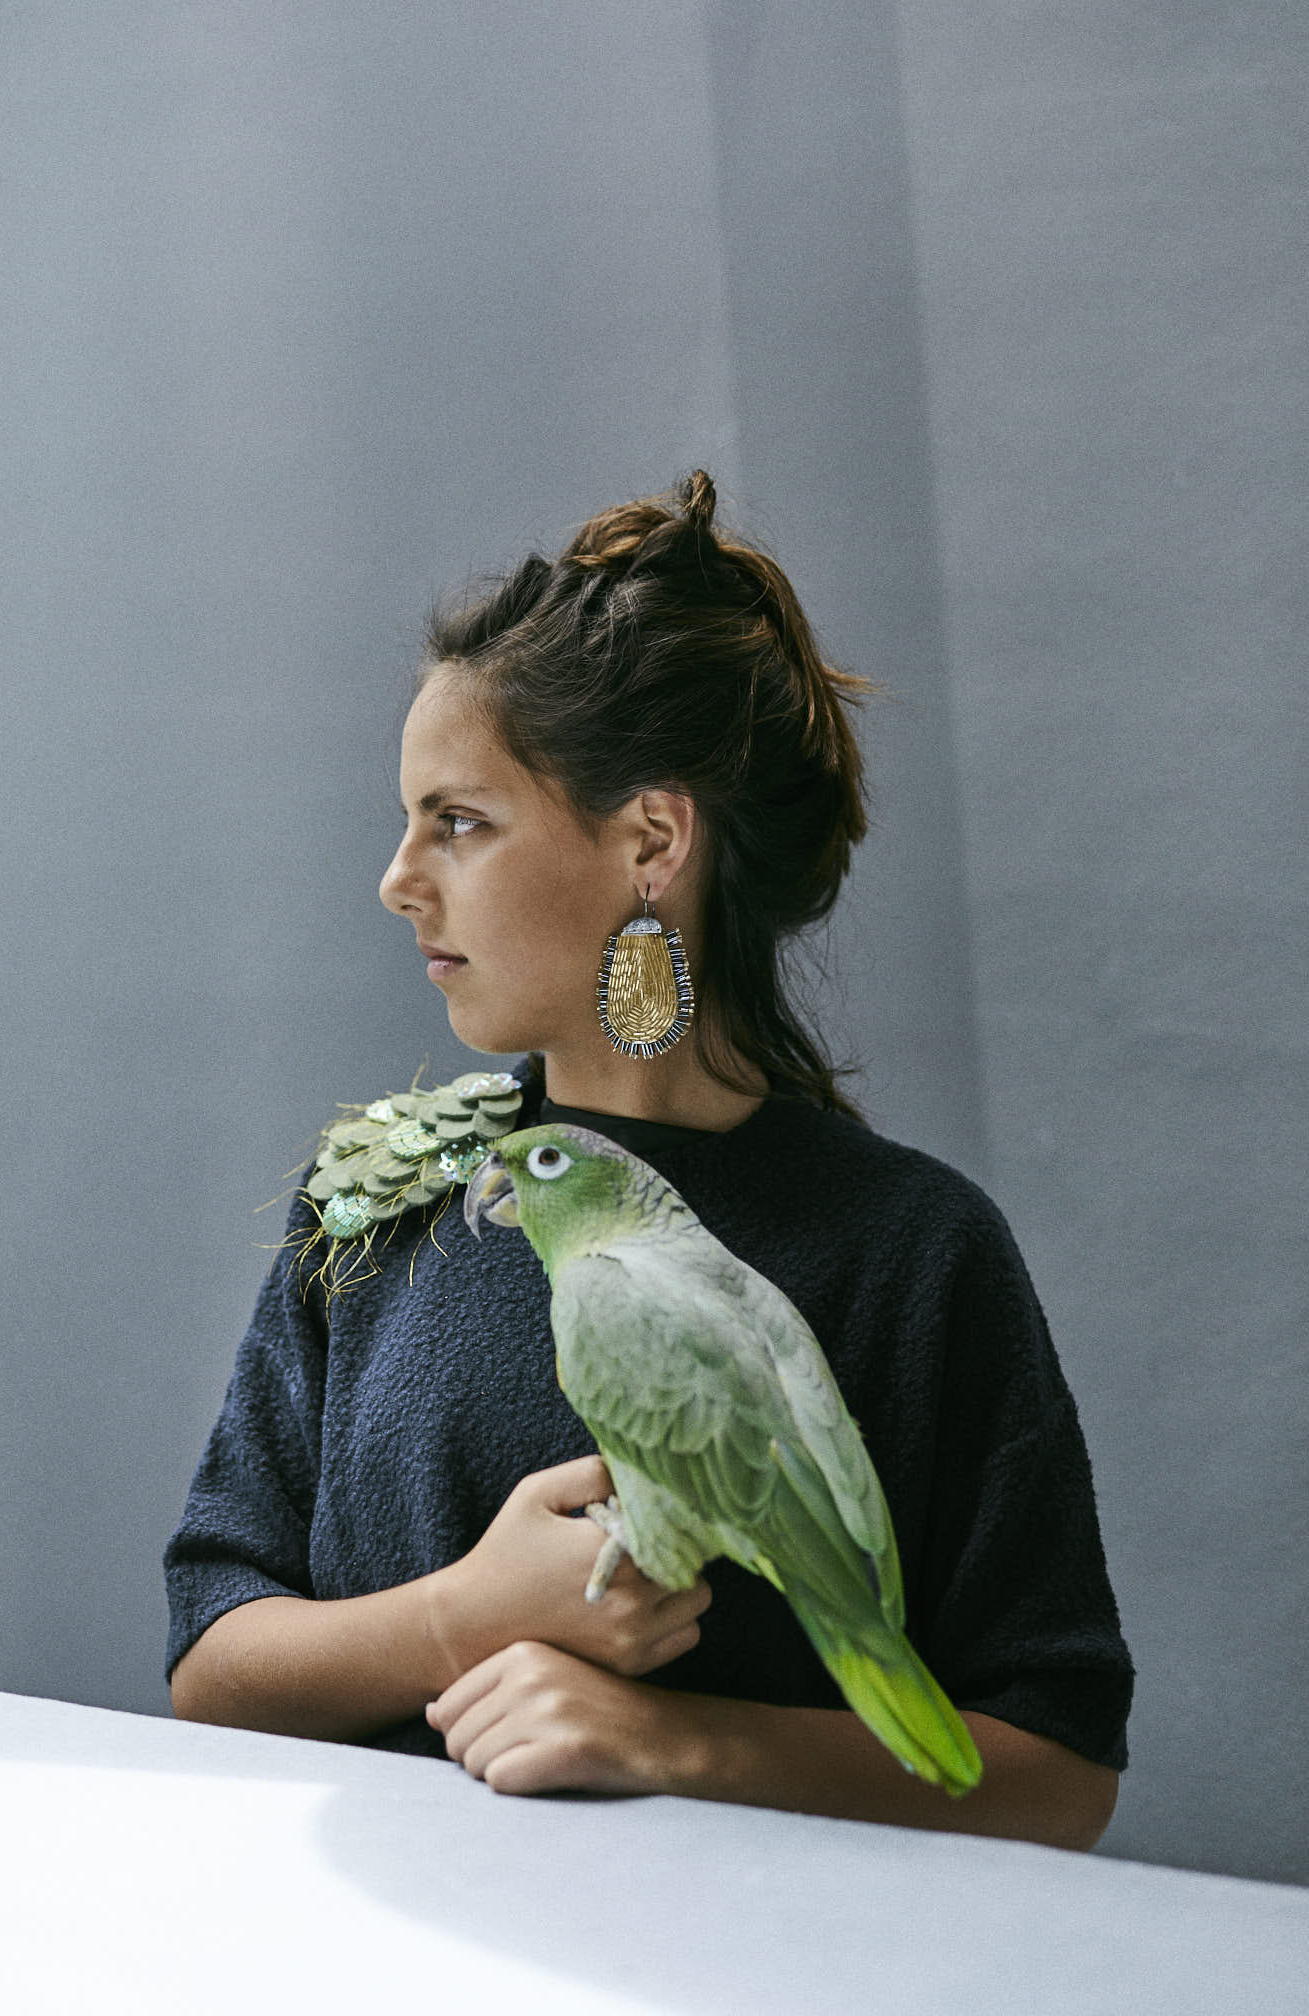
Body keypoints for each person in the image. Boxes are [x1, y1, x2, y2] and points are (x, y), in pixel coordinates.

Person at [165, 471, 1133, 1848]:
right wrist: (465, 1615)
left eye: (459, 821)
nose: (398, 878)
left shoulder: (915, 1253)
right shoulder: (386, 1199)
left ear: (651, 843)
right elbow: (211, 1668)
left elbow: (1059, 1774)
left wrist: (674, 1742)